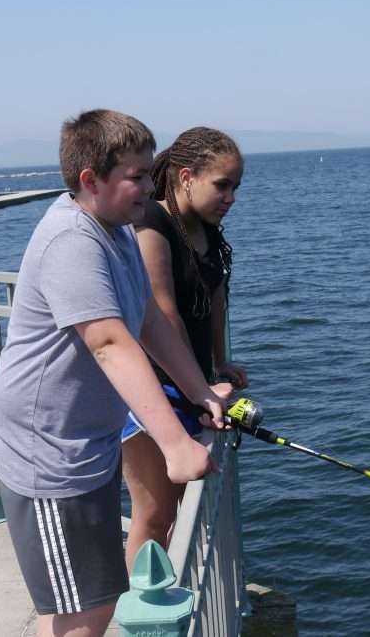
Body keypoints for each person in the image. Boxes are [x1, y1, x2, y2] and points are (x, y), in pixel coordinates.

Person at [0, 110, 232, 637]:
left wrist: (200, 392)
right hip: (46, 451)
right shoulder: (73, 241)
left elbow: (146, 321)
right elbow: (108, 342)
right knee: (87, 612)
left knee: (78, 600)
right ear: (90, 181)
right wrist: (174, 445)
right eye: (137, 176)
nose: (151, 184)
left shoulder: (116, 229)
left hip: (84, 441)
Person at [121, 127, 248, 571]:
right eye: (222, 185)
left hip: (191, 383)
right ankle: (141, 612)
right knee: (153, 513)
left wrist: (219, 362)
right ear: (187, 176)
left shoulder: (207, 228)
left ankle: (168, 598)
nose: (230, 196)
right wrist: (199, 388)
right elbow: (162, 311)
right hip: (151, 387)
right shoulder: (152, 224)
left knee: (176, 510)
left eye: (235, 187)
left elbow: (215, 297)